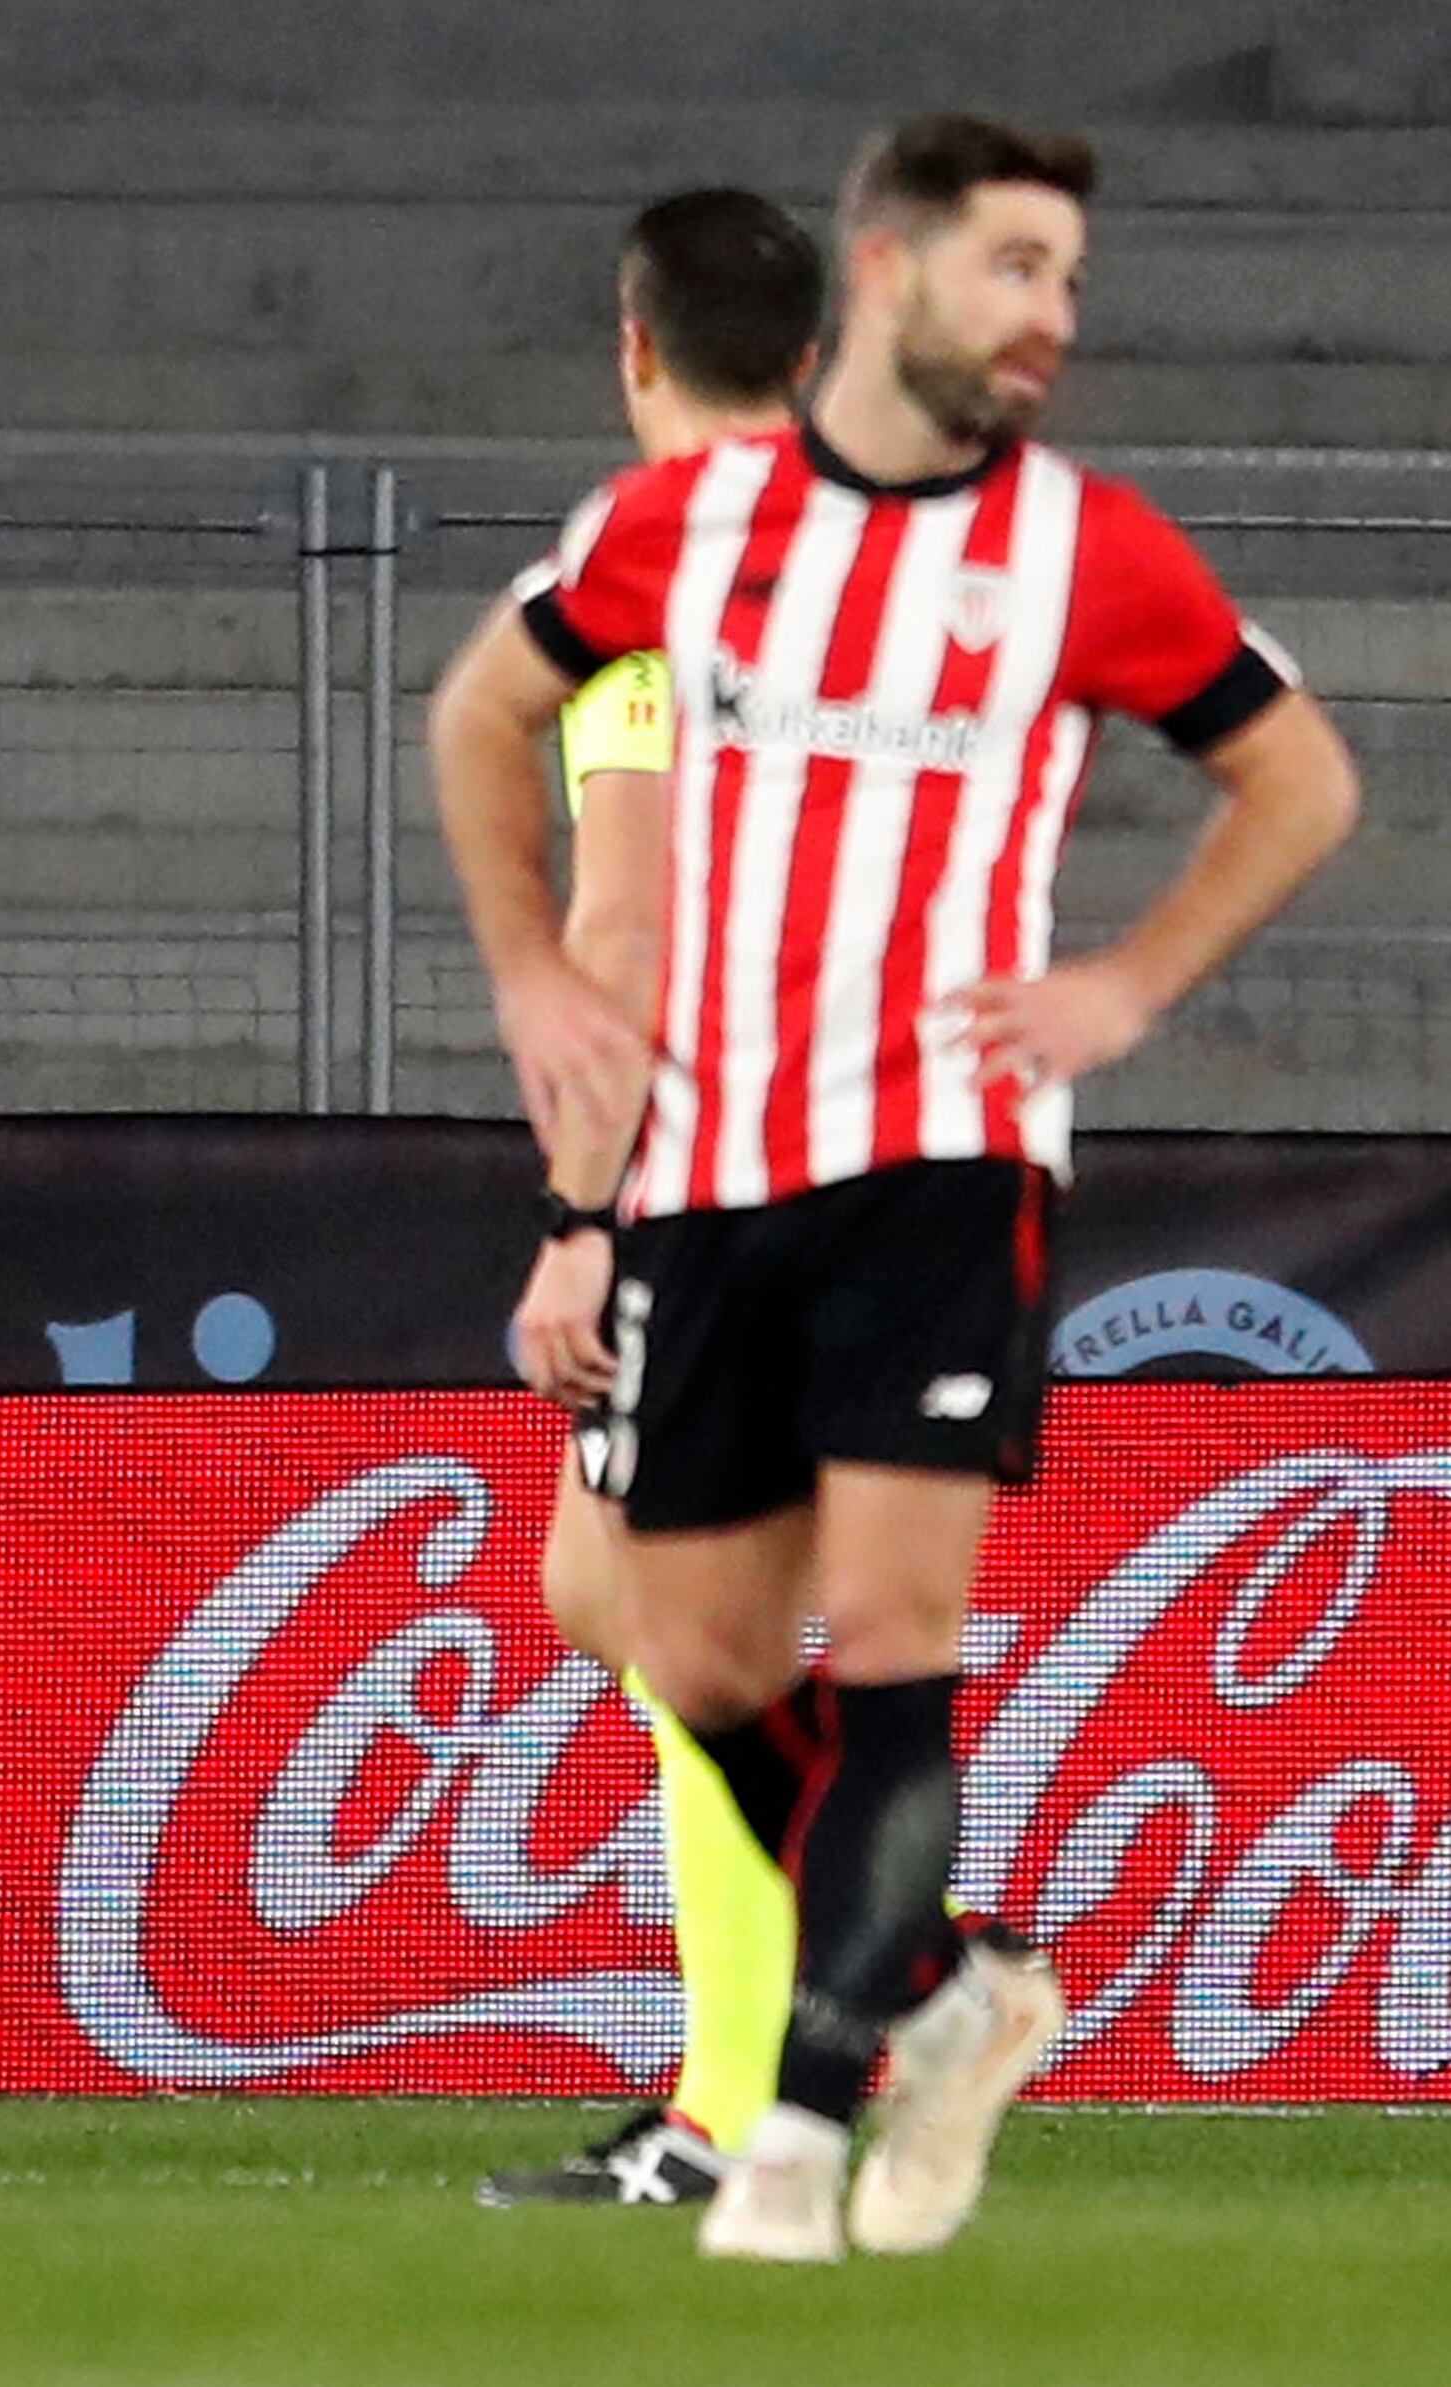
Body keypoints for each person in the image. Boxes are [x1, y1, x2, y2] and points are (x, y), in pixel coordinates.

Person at [430, 114, 1362, 2262]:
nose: (1047, 318)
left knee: (899, 1634)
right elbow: (486, 704)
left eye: (1068, 284)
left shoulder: (1086, 549)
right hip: (712, 1168)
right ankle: (954, 1985)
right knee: (689, 1642)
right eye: (1013, 269)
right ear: (884, 269)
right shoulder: (684, 523)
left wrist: (1126, 978)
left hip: (942, 1159)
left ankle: (787, 2128)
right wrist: (520, 985)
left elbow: (1295, 776)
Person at [475, 190, 823, 2211]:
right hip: (891, 1151)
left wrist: (579, 1209)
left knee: (658, 1613)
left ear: (630, 346)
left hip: (711, 1163)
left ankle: (754, 2084)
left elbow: (624, 904)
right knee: (630, 1599)